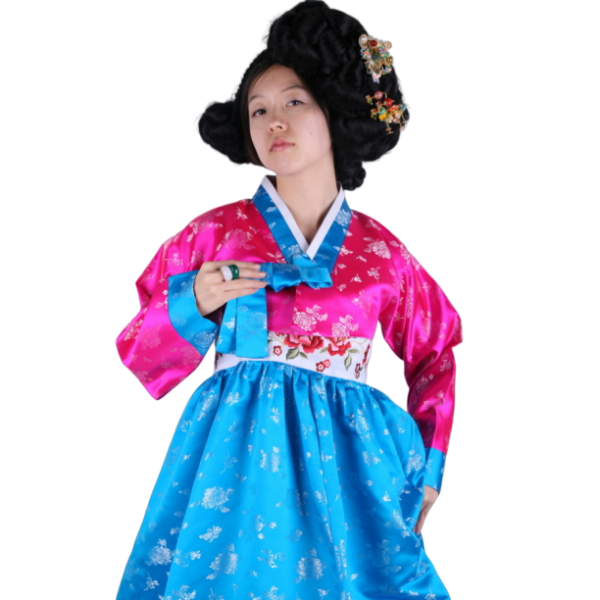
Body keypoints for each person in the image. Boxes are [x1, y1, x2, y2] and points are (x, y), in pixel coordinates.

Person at [115, 1, 463, 598]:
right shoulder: (211, 233)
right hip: (234, 458)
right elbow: (137, 350)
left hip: (352, 462)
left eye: (294, 102)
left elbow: (436, 352)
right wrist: (194, 300)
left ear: (335, 112)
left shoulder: (383, 251)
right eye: (259, 109)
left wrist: (430, 468)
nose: (274, 122)